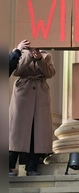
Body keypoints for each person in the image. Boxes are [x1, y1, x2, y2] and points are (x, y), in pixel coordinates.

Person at [9, 47, 56, 177]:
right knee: (17, 131)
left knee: (37, 132)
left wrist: (40, 59)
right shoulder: (19, 52)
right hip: (23, 92)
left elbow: (50, 73)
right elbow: (16, 71)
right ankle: (9, 165)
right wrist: (28, 56)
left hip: (41, 94)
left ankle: (32, 167)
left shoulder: (47, 55)